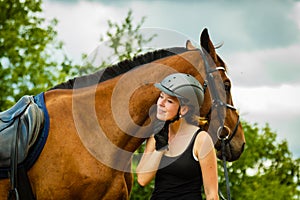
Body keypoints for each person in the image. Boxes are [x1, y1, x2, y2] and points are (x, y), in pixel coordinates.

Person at [136, 73, 219, 200]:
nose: (161, 103)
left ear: (184, 109)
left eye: (169, 101)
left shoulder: (201, 140)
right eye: (161, 97)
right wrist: (161, 147)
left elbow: (212, 195)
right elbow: (142, 179)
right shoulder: (157, 136)